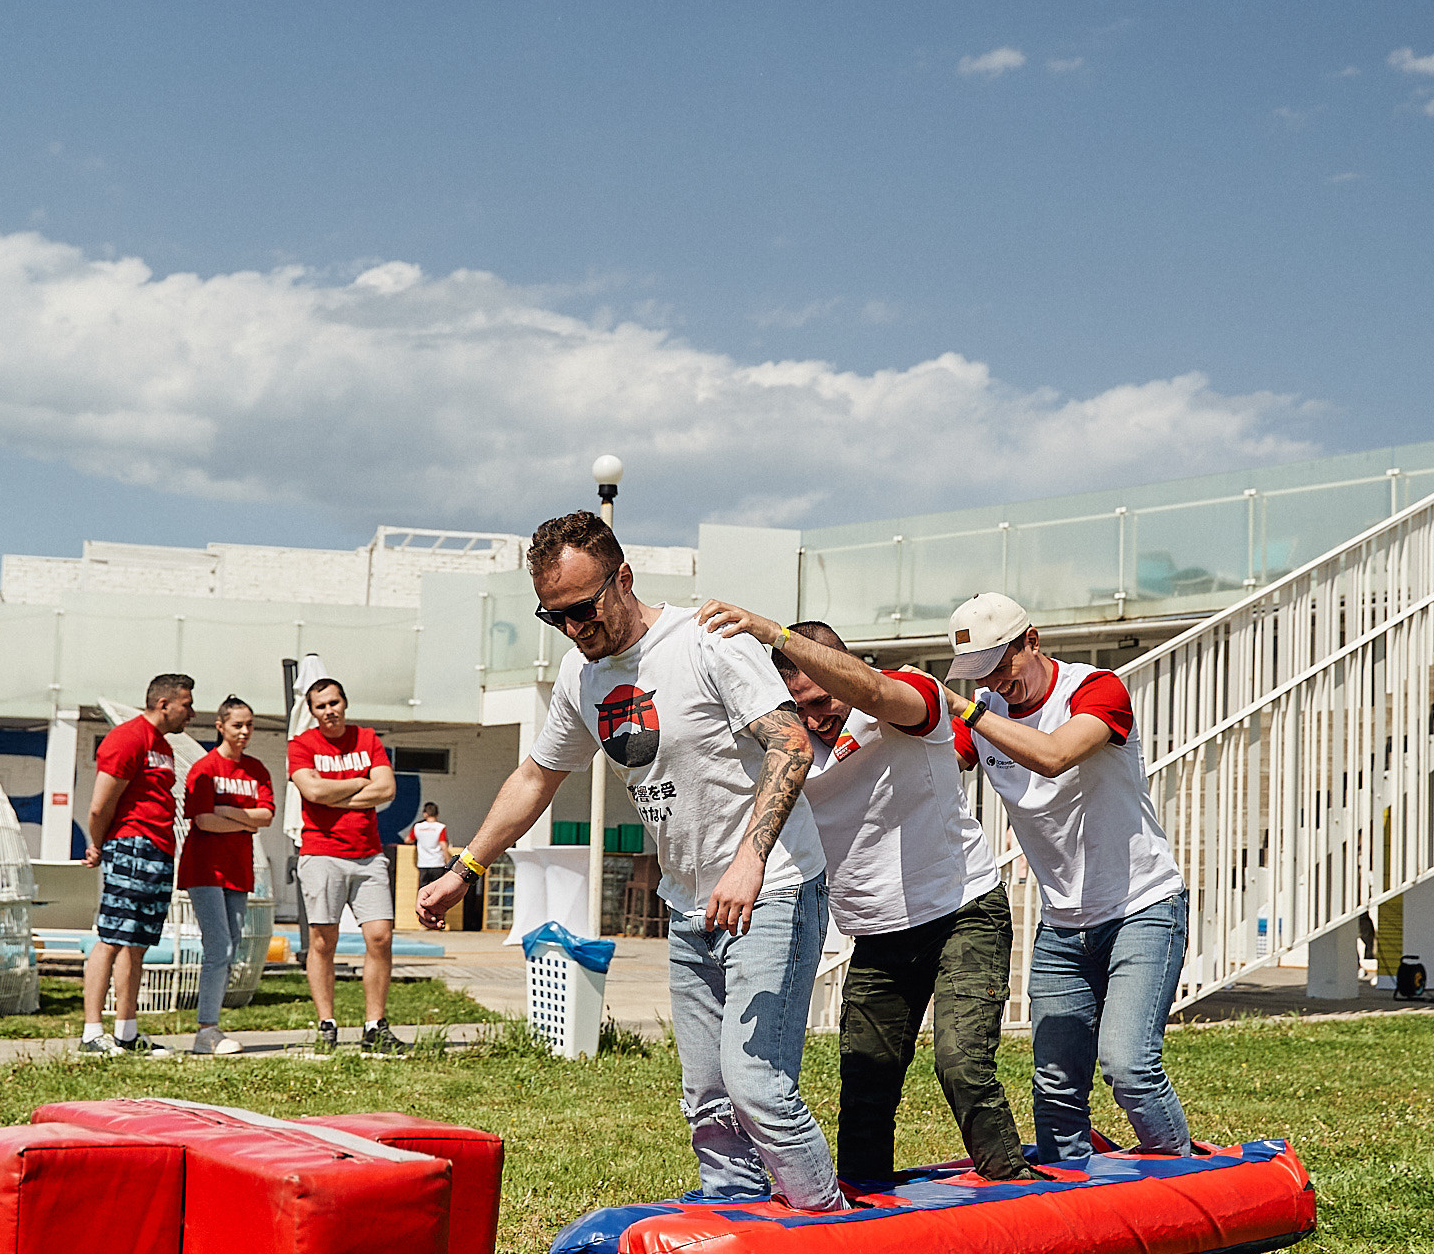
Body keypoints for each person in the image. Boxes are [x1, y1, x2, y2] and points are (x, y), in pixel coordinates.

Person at [419, 511, 847, 1212]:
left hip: (773, 886)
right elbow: (536, 776)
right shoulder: (580, 675)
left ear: (623, 577)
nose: (573, 629)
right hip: (688, 903)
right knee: (707, 1100)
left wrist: (749, 861)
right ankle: (733, 1224)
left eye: (583, 609)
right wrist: (464, 868)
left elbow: (791, 742)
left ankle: (825, 1228)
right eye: (554, 616)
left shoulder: (706, 640)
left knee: (756, 1087)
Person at [695, 603, 1039, 1183]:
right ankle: (862, 1209)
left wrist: (771, 633)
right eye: (800, 707)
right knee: (864, 1084)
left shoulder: (905, 699)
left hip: (962, 911)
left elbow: (876, 692)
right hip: (877, 935)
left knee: (962, 1065)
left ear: (844, 669)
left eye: (825, 698)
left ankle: (1014, 1191)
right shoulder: (788, 747)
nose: (818, 717)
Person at [929, 591, 1195, 1161]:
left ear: (1032, 640)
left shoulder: (1096, 689)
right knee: (1055, 1085)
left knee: (1129, 1067)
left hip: (1142, 908)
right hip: (1062, 924)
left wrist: (966, 711)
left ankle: (1186, 1186)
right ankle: (1073, 1201)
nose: (993, 682)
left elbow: (1054, 755)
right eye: (978, 673)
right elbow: (936, 769)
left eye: (999, 664)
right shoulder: (985, 712)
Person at [80, 673, 196, 1057]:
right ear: (164, 704)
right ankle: (92, 1033)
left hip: (159, 849)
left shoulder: (162, 745)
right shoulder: (128, 738)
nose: (191, 713)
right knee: (112, 937)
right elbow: (100, 805)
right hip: (131, 845)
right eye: (186, 705)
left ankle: (126, 1033)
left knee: (137, 943)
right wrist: (98, 845)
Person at [287, 677, 400, 1056]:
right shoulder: (301, 745)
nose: (329, 711)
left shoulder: (366, 738)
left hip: (368, 854)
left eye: (334, 703)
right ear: (312, 711)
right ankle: (327, 1024)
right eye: (320, 706)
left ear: (345, 703)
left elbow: (386, 789)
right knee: (323, 941)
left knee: (381, 937)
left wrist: (332, 795)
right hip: (321, 853)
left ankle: (374, 1026)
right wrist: (358, 782)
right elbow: (312, 791)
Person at [178, 696, 276, 1056]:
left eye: (250, 725)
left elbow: (267, 816)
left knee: (231, 946)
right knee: (218, 946)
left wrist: (228, 811)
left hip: (238, 869)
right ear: (220, 726)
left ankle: (212, 1025)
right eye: (237, 725)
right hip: (205, 868)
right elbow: (204, 821)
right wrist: (246, 820)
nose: (245, 731)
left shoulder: (256, 769)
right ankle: (206, 1029)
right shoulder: (205, 768)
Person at [404, 801, 452, 881]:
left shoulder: (418, 827)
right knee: (437, 887)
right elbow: (443, 845)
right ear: (437, 814)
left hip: (423, 864)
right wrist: (448, 861)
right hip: (438, 863)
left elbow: (408, 840)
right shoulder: (440, 827)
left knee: (423, 888)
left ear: (425, 814)